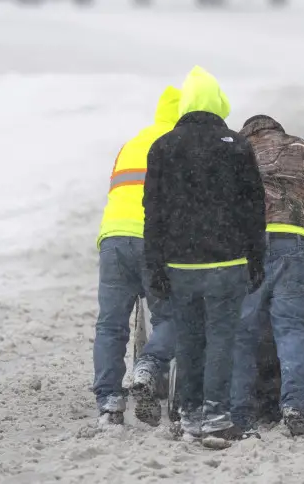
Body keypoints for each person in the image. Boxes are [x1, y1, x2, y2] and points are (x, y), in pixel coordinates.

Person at [143, 66, 266, 439]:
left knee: (189, 340)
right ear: (217, 102)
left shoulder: (163, 147)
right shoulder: (237, 146)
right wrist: (256, 257)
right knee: (221, 341)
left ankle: (188, 414)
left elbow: (154, 212)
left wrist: (156, 266)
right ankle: (216, 416)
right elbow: (253, 208)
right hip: (227, 263)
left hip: (180, 264)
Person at [227, 115, 304, 439]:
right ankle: (294, 407)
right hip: (301, 243)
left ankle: (238, 413)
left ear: (249, 132)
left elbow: (230, 201)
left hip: (255, 244)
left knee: (242, 332)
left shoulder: (241, 151)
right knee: (293, 330)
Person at [92, 85, 181, 427]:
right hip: (151, 239)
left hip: (113, 237)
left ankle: (109, 403)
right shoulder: (175, 145)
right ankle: (148, 367)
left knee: (111, 324)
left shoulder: (131, 143)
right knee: (170, 316)